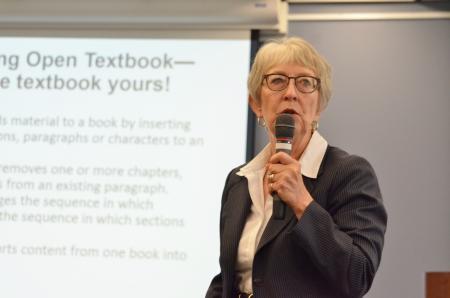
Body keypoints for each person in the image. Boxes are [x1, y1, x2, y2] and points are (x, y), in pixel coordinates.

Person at [205, 37, 387, 298]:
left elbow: (357, 275)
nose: (291, 92)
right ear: (256, 103)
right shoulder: (239, 180)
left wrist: (303, 203)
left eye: (305, 83)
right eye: (277, 81)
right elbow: (230, 278)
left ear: (319, 107)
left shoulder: (350, 174)